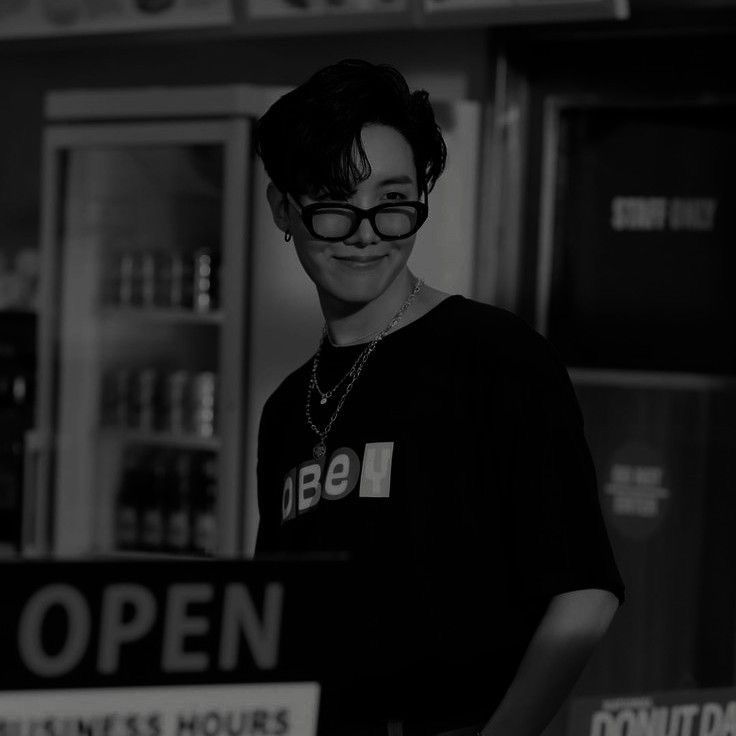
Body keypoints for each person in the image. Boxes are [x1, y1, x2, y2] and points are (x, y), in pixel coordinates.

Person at [253, 58, 625, 736]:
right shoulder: (286, 410)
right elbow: (280, 620)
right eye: (334, 202)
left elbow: (583, 592)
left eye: (393, 200)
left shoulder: (497, 358)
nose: (366, 231)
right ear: (284, 208)